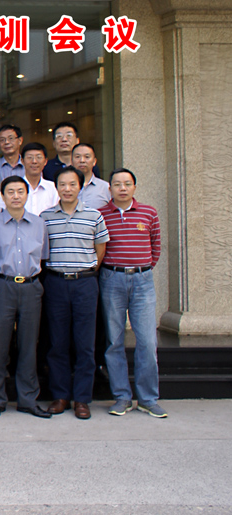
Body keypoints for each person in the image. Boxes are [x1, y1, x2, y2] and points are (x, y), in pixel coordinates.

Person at [41, 167, 109, 420]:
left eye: (72, 184)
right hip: (56, 283)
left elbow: (100, 250)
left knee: (85, 343)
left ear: (80, 187)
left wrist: (85, 271)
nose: (67, 189)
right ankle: (60, 396)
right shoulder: (45, 217)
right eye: (62, 184)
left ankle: (82, 398)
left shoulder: (94, 215)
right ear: (56, 187)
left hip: (85, 283)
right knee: (57, 343)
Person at [99, 168, 166, 418]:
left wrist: (142, 269)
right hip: (111, 279)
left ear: (134, 187)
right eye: (117, 184)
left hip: (142, 280)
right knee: (114, 340)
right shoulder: (101, 214)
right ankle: (122, 397)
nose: (122, 188)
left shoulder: (149, 213)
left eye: (127, 184)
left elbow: (155, 246)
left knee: (147, 341)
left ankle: (148, 398)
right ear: (110, 189)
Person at [0, 176, 52, 419]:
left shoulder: (39, 224)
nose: (15, 196)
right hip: (3, 286)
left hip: (31, 286)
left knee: (28, 344)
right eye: (10, 192)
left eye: (20, 191)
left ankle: (28, 399)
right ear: (2, 196)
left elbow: (43, 257)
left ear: (26, 195)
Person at [21, 142, 59, 216]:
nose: (34, 161)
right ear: (22, 161)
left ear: (45, 161)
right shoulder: (15, 187)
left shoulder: (54, 188)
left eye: (38, 157)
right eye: (29, 157)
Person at [72, 144, 110, 210]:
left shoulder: (106, 188)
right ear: (71, 161)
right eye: (77, 157)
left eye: (87, 157)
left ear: (94, 161)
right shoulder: (64, 187)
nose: (82, 160)